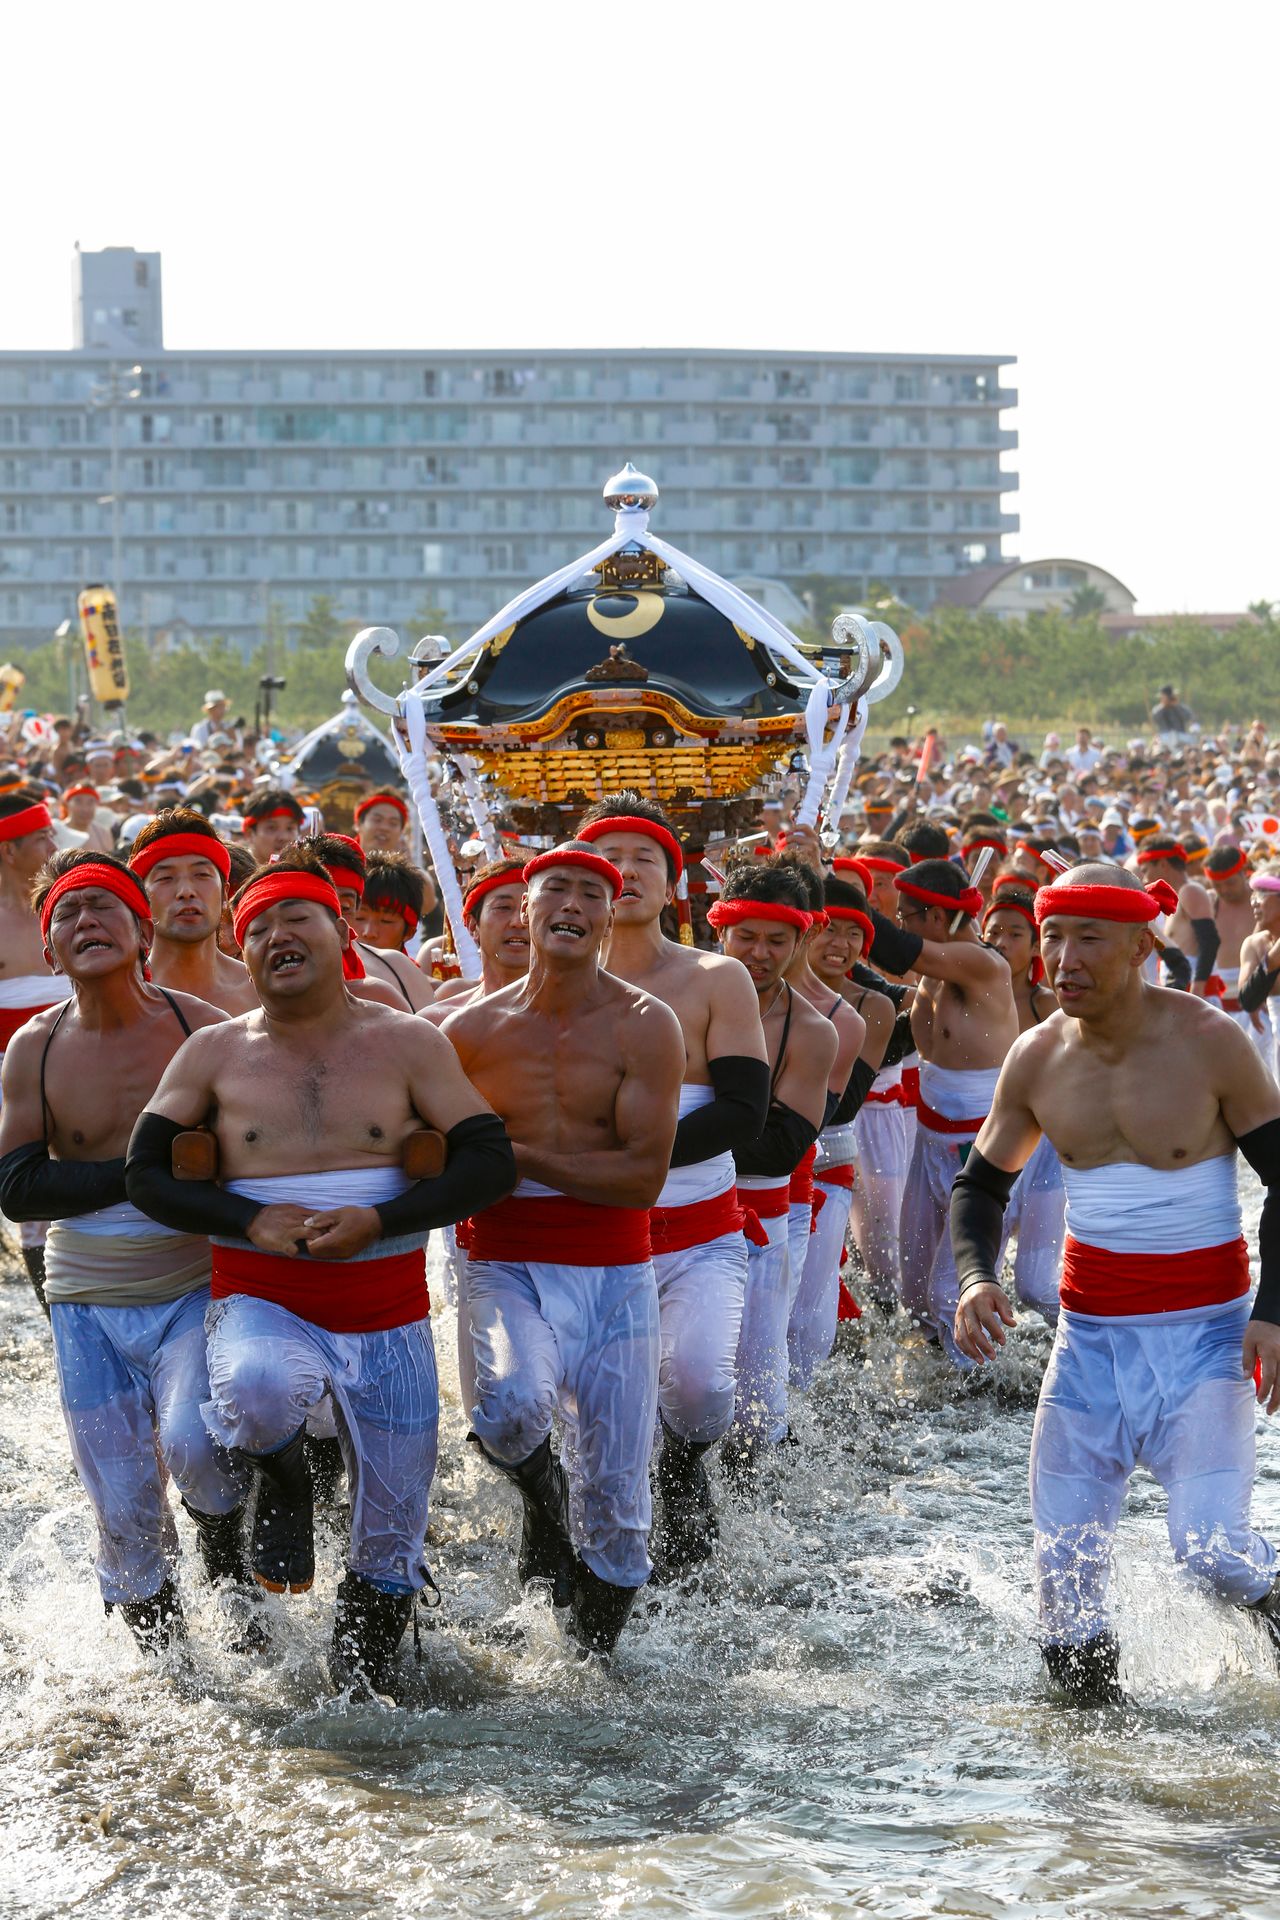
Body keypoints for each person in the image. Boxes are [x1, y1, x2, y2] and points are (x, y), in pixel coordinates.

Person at [125, 854, 515, 1698]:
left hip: (390, 1312)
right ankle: (285, 1481)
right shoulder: (213, 1052)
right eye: (256, 928)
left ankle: (359, 1703)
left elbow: (488, 1160)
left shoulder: (409, 1041)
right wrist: (246, 1218)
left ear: (342, 935)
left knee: (391, 1543)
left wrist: (381, 1220)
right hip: (262, 1297)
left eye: (295, 919)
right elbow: (145, 1174)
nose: (275, 938)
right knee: (259, 1392)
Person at [951, 863, 1280, 1704]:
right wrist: (975, 1277)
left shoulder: (1209, 1040)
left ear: (1141, 946)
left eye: (1087, 938)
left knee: (1211, 1552)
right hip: (1087, 1343)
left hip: (1204, 1340)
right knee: (1063, 1579)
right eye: (1052, 936)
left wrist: (1274, 1314)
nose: (1062, 958)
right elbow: (981, 1185)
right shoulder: (1036, 1056)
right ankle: (1095, 1792)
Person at [0, 850, 251, 1656]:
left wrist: (113, 1180)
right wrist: (148, 1172)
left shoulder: (201, 1031)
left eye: (104, 908)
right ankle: (164, 1678)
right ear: (49, 953)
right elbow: (17, 1188)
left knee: (195, 1443)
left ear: (142, 932)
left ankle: (225, 1562)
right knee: (123, 1501)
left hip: (192, 1280)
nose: (86, 924)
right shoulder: (33, 1051)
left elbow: (255, 1155)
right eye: (67, 916)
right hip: (83, 1298)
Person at [442, 843, 684, 1654]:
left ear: (609, 915)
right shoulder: (468, 1029)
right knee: (509, 1414)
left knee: (619, 1505)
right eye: (556, 891)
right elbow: (431, 1151)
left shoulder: (647, 1024)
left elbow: (640, 1180)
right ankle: (544, 1504)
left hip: (616, 1271)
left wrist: (515, 1159)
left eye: (592, 892)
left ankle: (593, 1670)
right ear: (525, 910)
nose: (573, 904)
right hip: (502, 1257)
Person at [577, 797, 769, 1578]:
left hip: (698, 1228)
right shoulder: (548, 988)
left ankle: (686, 1466)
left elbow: (742, 1110)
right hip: (589, 1236)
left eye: (642, 859)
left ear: (671, 883)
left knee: (698, 1387)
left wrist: (634, 1160)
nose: (623, 871)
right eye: (607, 858)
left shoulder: (717, 978)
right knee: (592, 1427)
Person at [707, 859, 837, 1464]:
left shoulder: (816, 1031)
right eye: (746, 937)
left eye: (776, 941)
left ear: (800, 942)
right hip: (671, 1218)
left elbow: (785, 1146)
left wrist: (665, 1143)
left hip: (764, 1220)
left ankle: (758, 1520)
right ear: (719, 933)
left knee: (756, 1412)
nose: (758, 953)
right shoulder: (665, 1003)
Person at [886, 857, 1019, 1362]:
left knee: (951, 1293)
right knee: (914, 1291)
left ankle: (972, 1399)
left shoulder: (982, 962)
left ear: (936, 918)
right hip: (928, 1134)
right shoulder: (937, 967)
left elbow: (894, 950)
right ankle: (933, 1382)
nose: (901, 925)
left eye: (906, 915)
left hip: (977, 1147)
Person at [981, 876, 1063, 1322]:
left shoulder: (1047, 1004)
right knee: (980, 1273)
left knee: (1034, 1286)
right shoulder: (967, 994)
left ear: (1035, 947)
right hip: (990, 1144)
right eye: (993, 932)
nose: (1001, 941)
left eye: (1015, 933)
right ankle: (983, 1374)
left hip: (1047, 1154)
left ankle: (1084, 1342)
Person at [0, 791, 71, 1306]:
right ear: (9, 850)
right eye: (42, 836)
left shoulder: (71, 910)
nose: (52, 844)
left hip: (80, 1061)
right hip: (8, 1075)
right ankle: (52, 1310)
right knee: (28, 1190)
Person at [129, 810, 259, 1017]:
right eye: (165, 878)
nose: (186, 892)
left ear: (225, 894)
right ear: (141, 898)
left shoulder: (262, 992)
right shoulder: (122, 995)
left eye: (201, 875)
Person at [303, 834, 435, 1012]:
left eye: (345, 907)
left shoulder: (400, 968)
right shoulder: (270, 975)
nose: (369, 931)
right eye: (315, 906)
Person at [1205, 844, 1272, 1067]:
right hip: (1219, 1003)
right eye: (1217, 885)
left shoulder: (1264, 904)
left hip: (1260, 1000)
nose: (1224, 890)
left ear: (1244, 872)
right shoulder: (1208, 902)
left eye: (1230, 883)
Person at [1135, 836, 1219, 996]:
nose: (1145, 879)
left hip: (1194, 989)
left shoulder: (1189, 891)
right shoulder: (1174, 898)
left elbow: (1209, 941)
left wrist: (1198, 986)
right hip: (1179, 986)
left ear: (1163, 864)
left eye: (1145, 870)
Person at [1239, 866, 1280, 1085]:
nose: (1254, 901)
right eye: (1253, 893)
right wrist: (1273, 959)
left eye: (1263, 893)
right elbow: (1248, 1000)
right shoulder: (1255, 944)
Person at [241, 789, 304, 864]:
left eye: (290, 828)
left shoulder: (307, 873)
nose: (283, 837)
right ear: (249, 833)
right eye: (272, 828)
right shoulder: (233, 873)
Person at [354, 791, 410, 857]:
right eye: (377, 820)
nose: (384, 828)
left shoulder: (409, 865)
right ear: (358, 824)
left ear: (401, 832)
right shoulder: (340, 862)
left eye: (393, 823)